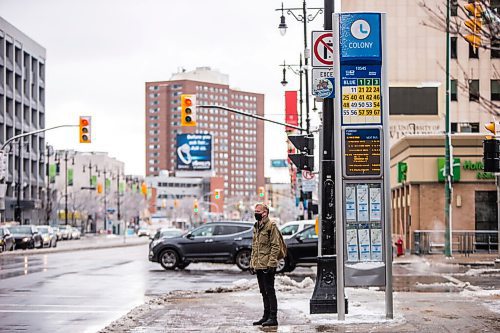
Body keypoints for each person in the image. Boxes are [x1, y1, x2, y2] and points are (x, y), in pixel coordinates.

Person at [249, 203, 280, 327]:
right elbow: (255, 247)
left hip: (267, 265)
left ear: (265, 212)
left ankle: (273, 317)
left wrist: (271, 263)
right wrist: (252, 263)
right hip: (259, 265)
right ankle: (265, 316)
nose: (255, 213)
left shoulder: (271, 226)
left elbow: (275, 246)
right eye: (255, 211)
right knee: (263, 291)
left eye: (258, 211)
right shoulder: (256, 226)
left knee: (270, 291)